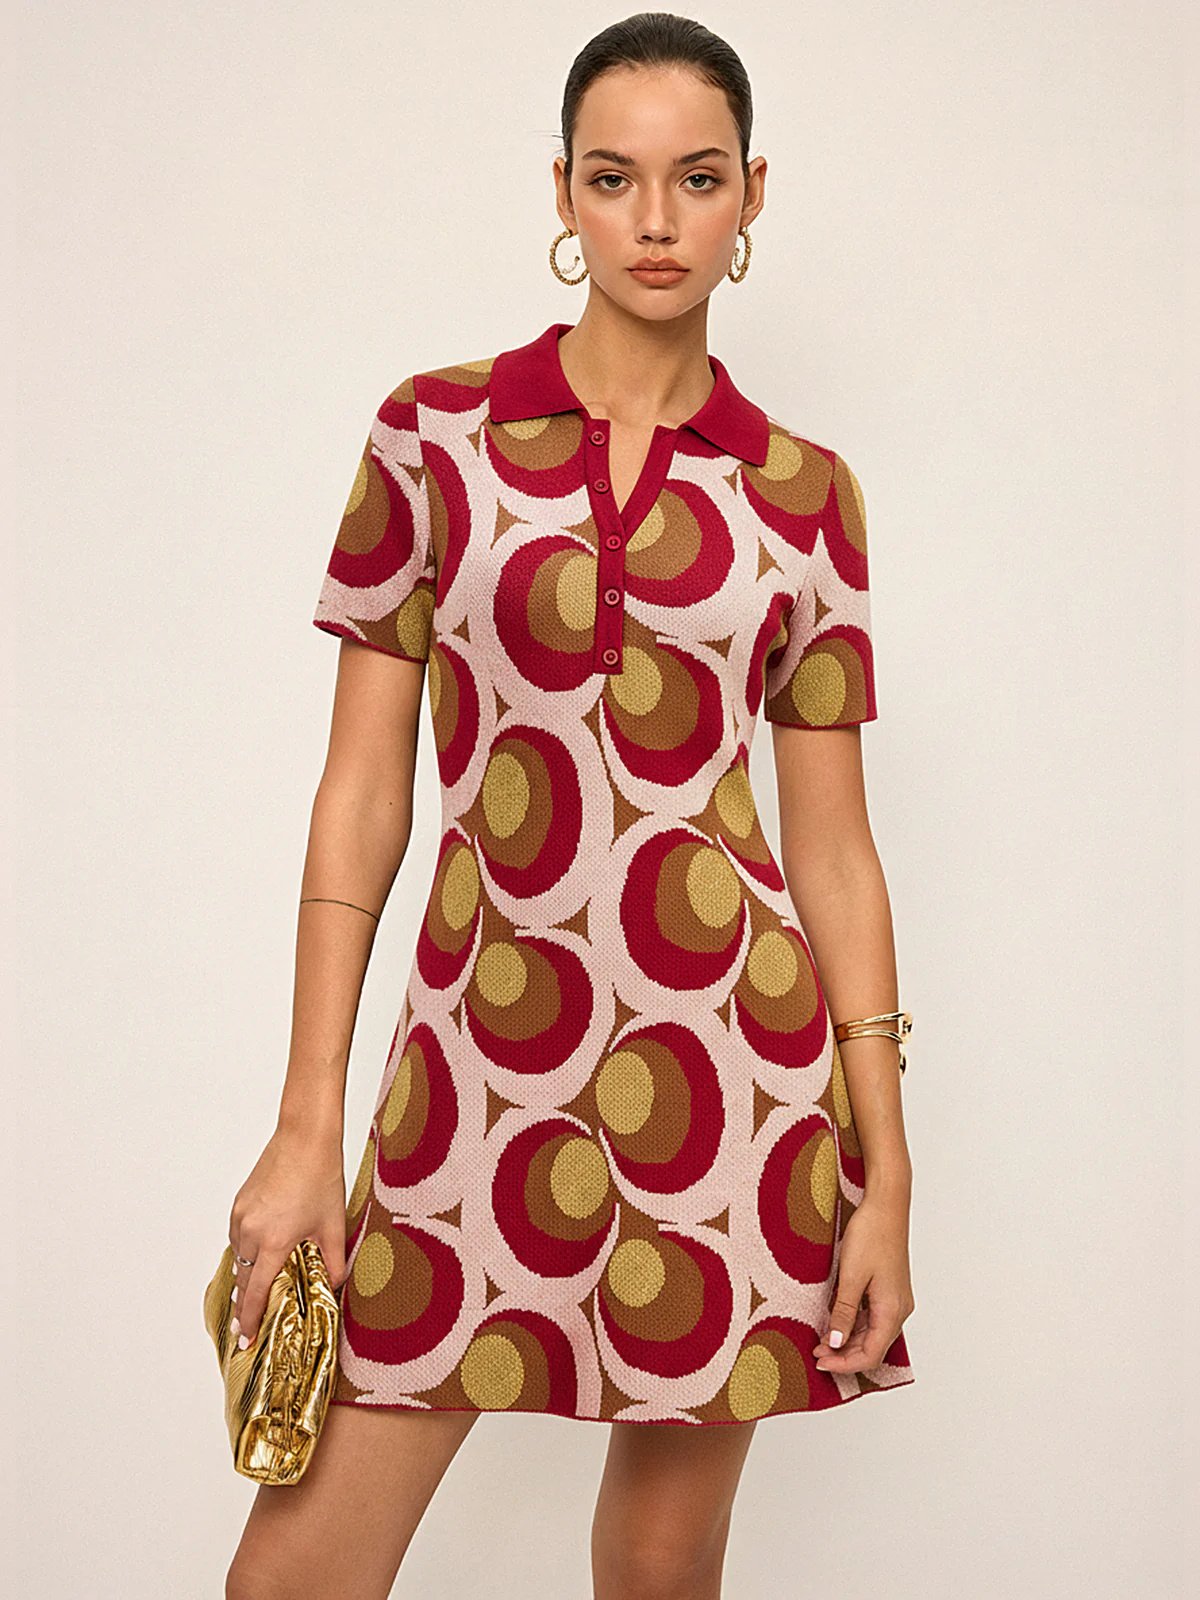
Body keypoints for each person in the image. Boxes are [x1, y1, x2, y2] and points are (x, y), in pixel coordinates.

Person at [223, 12, 916, 1598]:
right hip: (470, 1077)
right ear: (562, 193)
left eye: (698, 179)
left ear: (752, 197)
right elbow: (361, 795)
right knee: (293, 1578)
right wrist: (309, 1121)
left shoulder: (806, 492)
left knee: (661, 1570)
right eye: (614, 179)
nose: (656, 220)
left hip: (737, 1089)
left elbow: (835, 854)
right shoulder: (432, 435)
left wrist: (888, 1171)